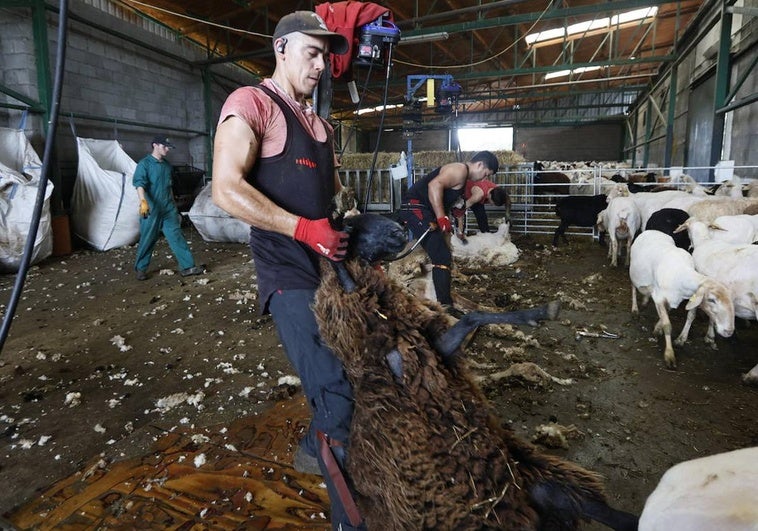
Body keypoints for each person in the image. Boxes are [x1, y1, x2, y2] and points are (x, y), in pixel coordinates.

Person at [210, 11, 365, 530]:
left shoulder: (320, 124)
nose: (322, 65)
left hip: (327, 269)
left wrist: (346, 215)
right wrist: (303, 230)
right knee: (339, 395)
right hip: (286, 273)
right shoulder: (251, 105)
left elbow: (332, 193)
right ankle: (351, 520)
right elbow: (225, 188)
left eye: (327, 55)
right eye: (312, 52)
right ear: (280, 48)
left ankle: (310, 442)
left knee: (353, 368)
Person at [397, 151, 499, 316]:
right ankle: (445, 308)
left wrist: (453, 211)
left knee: (443, 254)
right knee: (441, 256)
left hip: (424, 210)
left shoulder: (463, 179)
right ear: (480, 165)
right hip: (415, 207)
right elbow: (434, 186)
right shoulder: (459, 170)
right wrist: (441, 216)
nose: (483, 179)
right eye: (485, 174)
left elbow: (446, 196)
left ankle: (440, 300)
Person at [133, 135, 205, 281]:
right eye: (164, 146)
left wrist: (174, 206)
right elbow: (139, 184)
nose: (167, 149)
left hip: (168, 208)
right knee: (148, 238)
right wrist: (143, 202)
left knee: (176, 236)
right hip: (151, 209)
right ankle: (141, 268)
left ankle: (187, 267)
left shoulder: (167, 166)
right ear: (155, 145)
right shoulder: (144, 164)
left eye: (168, 147)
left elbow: (169, 187)